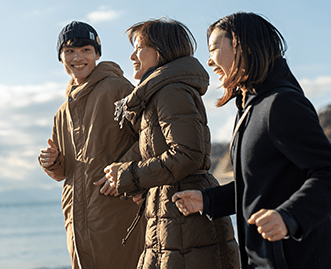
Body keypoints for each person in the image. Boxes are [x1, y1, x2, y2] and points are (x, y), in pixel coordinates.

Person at [172, 12, 331, 268]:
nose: (210, 61)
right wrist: (208, 200)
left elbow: (330, 175)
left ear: (241, 46)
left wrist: (289, 217)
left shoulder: (282, 104)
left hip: (303, 260)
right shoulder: (248, 109)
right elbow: (259, 185)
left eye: (213, 49)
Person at [103, 18, 240, 269]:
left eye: (139, 46)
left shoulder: (170, 90)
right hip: (173, 212)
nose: (133, 55)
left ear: (160, 50)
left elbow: (186, 155)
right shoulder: (161, 91)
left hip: (185, 218)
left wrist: (129, 174)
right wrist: (144, 187)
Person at [38, 21, 145, 269]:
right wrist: (52, 162)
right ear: (61, 57)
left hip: (116, 209)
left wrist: (124, 173)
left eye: (86, 50)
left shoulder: (117, 87)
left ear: (97, 53)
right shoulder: (62, 112)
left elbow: (149, 136)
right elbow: (65, 172)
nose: (78, 57)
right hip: (77, 217)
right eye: (70, 51)